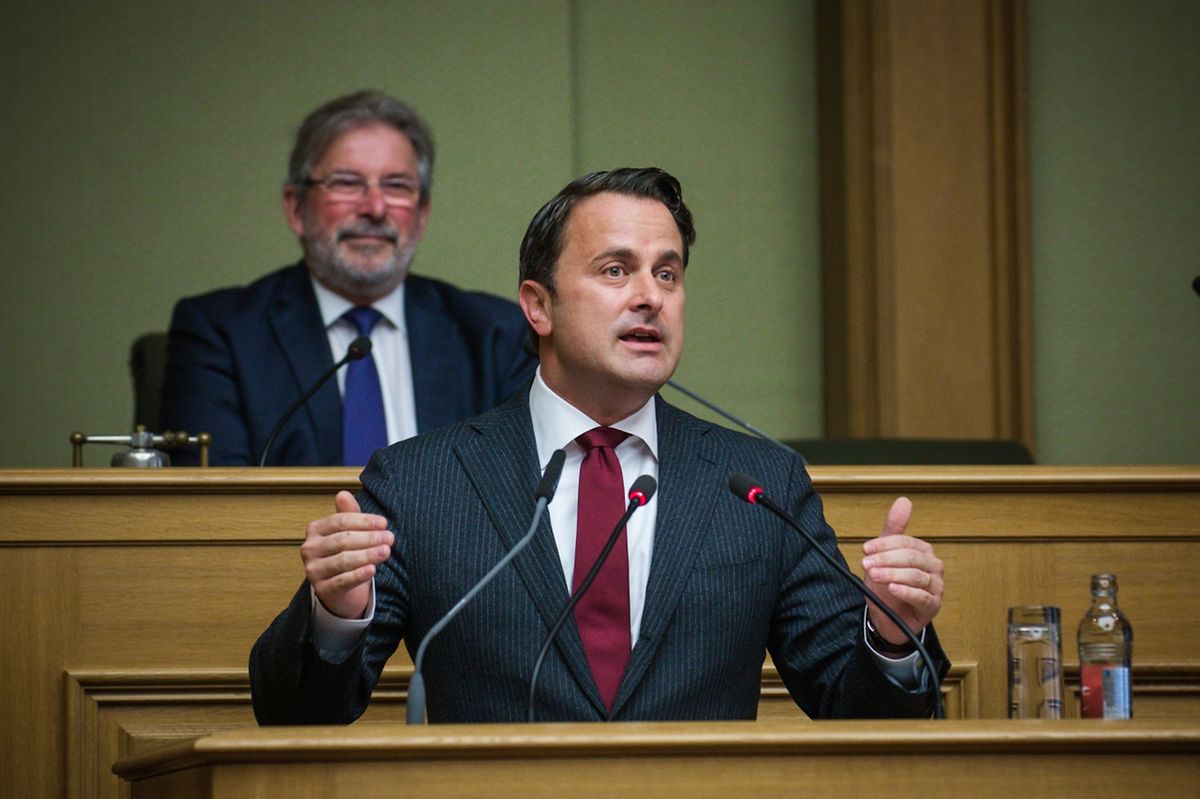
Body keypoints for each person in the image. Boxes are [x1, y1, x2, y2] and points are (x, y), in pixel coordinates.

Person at [249, 167, 949, 724]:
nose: (650, 296)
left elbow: (858, 710)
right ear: (538, 305)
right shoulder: (423, 481)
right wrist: (337, 614)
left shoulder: (760, 483)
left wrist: (892, 636)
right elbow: (297, 714)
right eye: (616, 270)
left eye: (667, 273)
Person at [160, 91, 535, 466]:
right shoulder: (220, 333)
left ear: (421, 214)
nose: (374, 207)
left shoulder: (495, 335)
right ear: (295, 208)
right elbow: (210, 508)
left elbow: (525, 492)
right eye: (346, 183)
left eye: (396, 186)